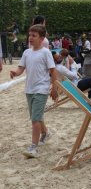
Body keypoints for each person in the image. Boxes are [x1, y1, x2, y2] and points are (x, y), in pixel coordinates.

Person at [10, 24, 58, 158]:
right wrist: (15, 72)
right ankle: (46, 133)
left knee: (35, 119)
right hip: (29, 89)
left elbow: (53, 71)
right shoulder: (26, 52)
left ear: (41, 38)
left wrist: (54, 88)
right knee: (36, 116)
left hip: (41, 89)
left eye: (34, 36)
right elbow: (21, 68)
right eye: (29, 35)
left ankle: (33, 147)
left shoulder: (46, 52)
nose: (30, 38)